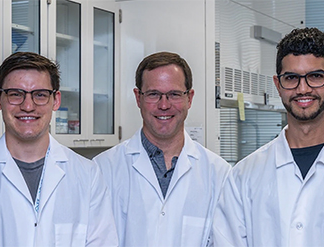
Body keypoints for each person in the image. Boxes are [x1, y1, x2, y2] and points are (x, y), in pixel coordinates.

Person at [212, 27, 324, 246]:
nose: (303, 89)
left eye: (315, 76)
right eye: (291, 78)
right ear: (278, 84)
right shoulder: (244, 176)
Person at [0, 52, 118, 246]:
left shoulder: (88, 174)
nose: (28, 106)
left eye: (40, 95)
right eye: (16, 94)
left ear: (56, 101)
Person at [93, 51, 231, 247]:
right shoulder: (103, 169)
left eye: (174, 94)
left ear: (189, 98)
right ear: (138, 98)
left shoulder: (219, 173)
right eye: (153, 94)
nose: (164, 105)